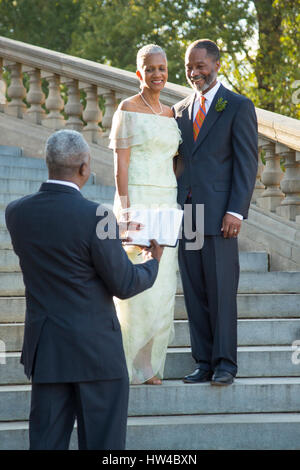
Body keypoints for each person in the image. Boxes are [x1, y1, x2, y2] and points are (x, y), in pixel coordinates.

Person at [5, 129, 164, 450]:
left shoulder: (16, 212)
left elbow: (62, 243)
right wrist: (152, 262)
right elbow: (124, 283)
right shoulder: (98, 216)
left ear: (49, 164)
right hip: (97, 356)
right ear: (84, 167)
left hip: (48, 353)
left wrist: (106, 240)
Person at [173, 39, 258, 386]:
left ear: (217, 65)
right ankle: (204, 361)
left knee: (222, 292)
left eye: (200, 66)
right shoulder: (178, 110)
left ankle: (225, 364)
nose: (194, 73)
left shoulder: (237, 106)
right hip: (187, 216)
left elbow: (247, 162)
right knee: (195, 291)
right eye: (189, 67)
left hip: (222, 215)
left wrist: (236, 212)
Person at [109, 44, 182, 385]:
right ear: (139, 72)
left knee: (163, 286)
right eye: (150, 68)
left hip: (167, 202)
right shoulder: (126, 109)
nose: (157, 74)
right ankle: (124, 363)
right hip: (137, 200)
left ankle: (149, 366)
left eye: (162, 68)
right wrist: (124, 209)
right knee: (135, 284)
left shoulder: (171, 114)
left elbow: (175, 162)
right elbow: (120, 164)